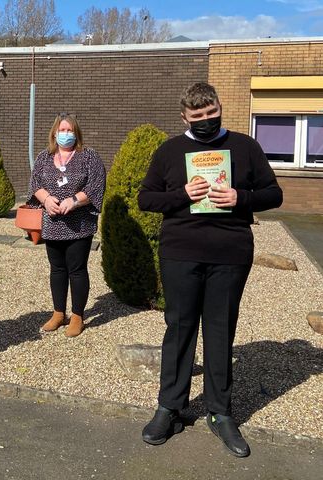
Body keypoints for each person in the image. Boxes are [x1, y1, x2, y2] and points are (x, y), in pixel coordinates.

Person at [138, 82, 283, 457]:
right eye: (197, 116)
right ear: (184, 116)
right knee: (180, 328)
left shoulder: (245, 147)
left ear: (219, 107)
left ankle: (220, 413)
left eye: (211, 112)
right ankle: (170, 407)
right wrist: (181, 195)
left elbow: (274, 193)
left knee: (220, 333)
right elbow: (146, 198)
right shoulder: (170, 150)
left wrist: (241, 197)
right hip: (181, 252)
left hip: (230, 253)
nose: (205, 120)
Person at [28, 113, 106, 337]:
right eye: (62, 130)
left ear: (76, 132)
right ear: (54, 133)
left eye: (69, 130)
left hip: (79, 223)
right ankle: (58, 313)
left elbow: (96, 185)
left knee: (77, 269)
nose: (66, 134)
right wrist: (46, 200)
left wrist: (73, 201)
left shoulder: (88, 156)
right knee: (57, 269)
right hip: (52, 222)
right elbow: (35, 183)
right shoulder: (44, 157)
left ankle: (78, 316)